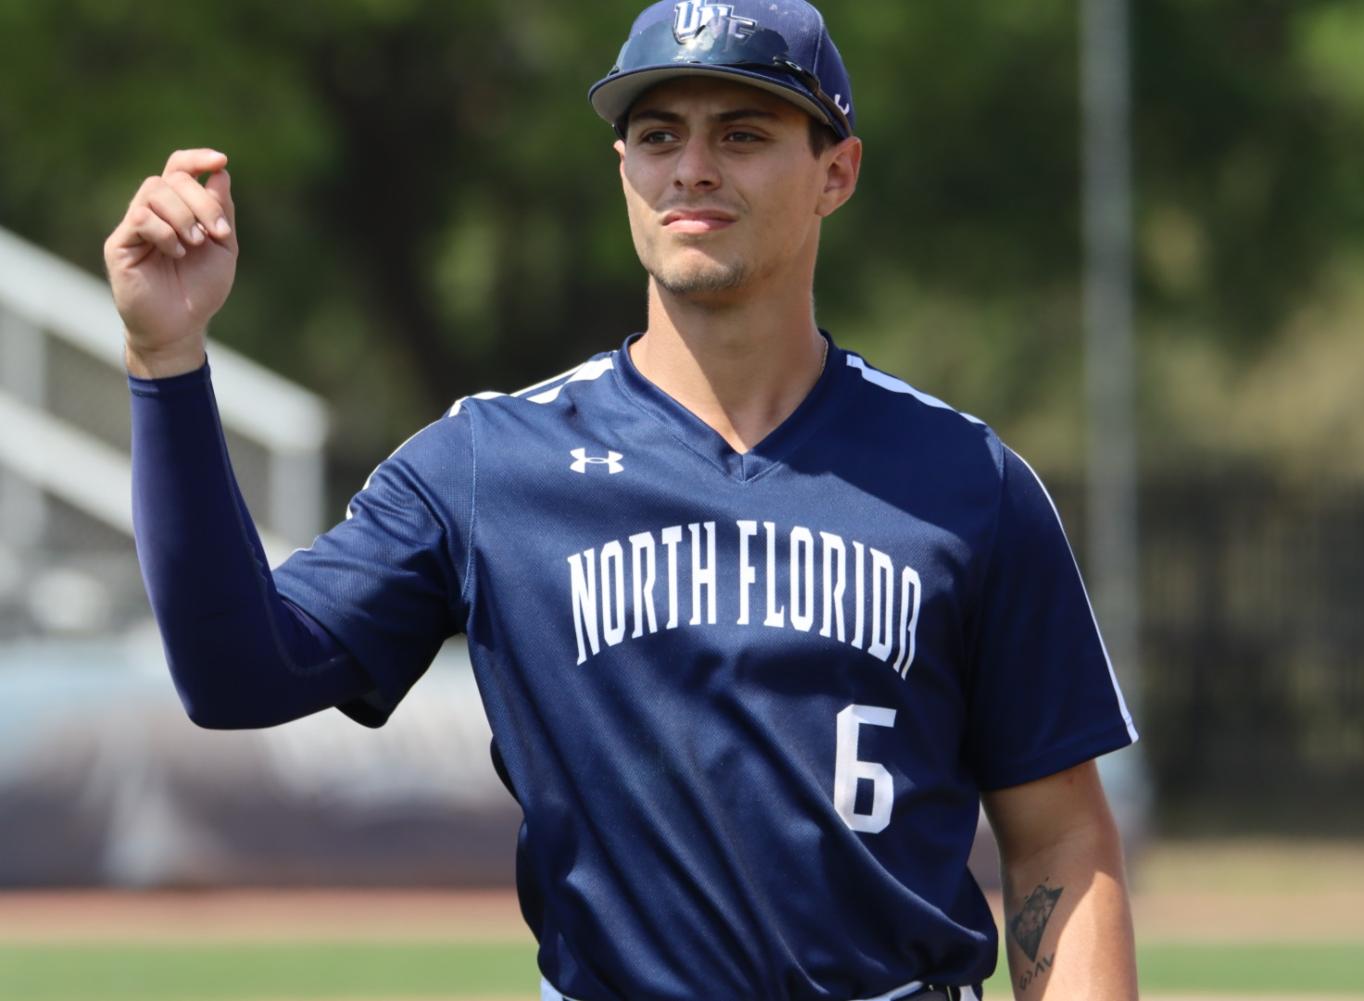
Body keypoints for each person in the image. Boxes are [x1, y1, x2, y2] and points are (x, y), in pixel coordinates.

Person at [104, 2, 1140, 998]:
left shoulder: (966, 480)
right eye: (657, 134)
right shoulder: (490, 465)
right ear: (623, 169)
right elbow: (236, 674)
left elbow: (1058, 832)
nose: (691, 166)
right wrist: (167, 358)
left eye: (742, 132)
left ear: (836, 171)